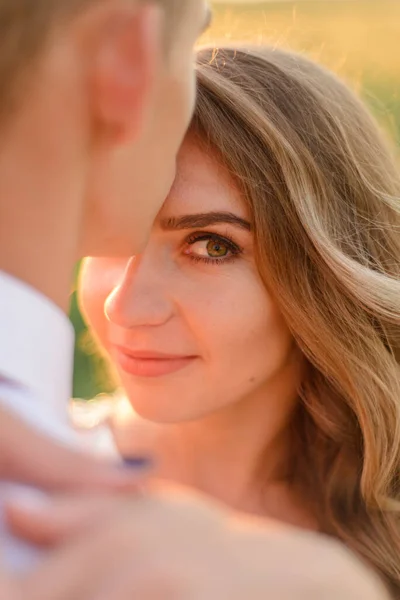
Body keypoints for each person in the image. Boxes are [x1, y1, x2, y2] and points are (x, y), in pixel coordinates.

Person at [79, 45, 400, 597]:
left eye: (210, 246)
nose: (124, 306)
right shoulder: (27, 490)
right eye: (112, 232)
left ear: (325, 273)